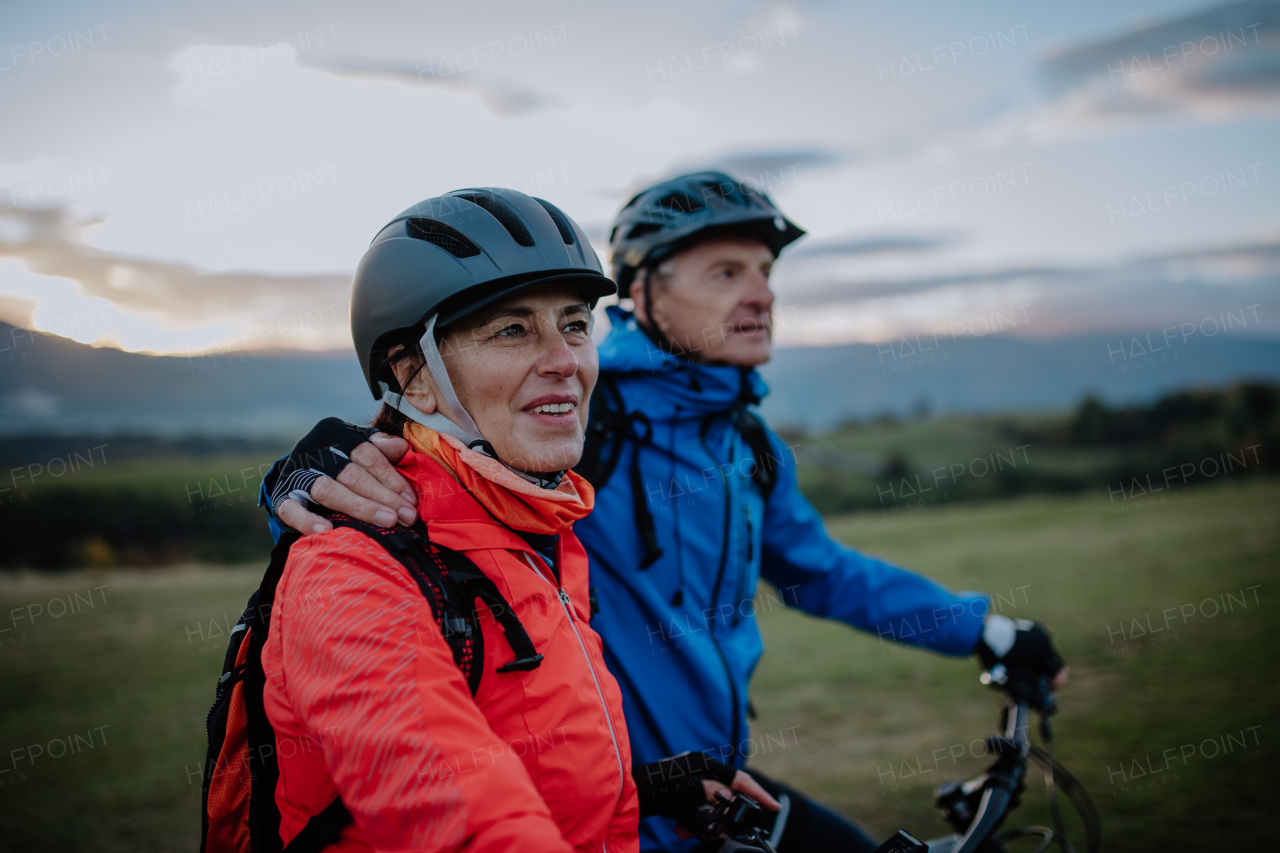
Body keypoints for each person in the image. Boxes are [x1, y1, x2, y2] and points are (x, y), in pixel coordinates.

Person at [266, 175, 1066, 852]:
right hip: (587, 813)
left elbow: (824, 572)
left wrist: (986, 630)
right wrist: (305, 483)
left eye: (763, 272)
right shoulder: (583, 422)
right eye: (724, 273)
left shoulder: (744, 443)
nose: (760, 294)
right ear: (644, 290)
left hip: (685, 788)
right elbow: (416, 500)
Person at [260, 187, 776, 853]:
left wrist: (637, 787)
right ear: (413, 376)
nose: (564, 360)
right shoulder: (353, 568)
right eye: (511, 329)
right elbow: (456, 811)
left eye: (574, 324)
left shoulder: (538, 531)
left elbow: (513, 749)